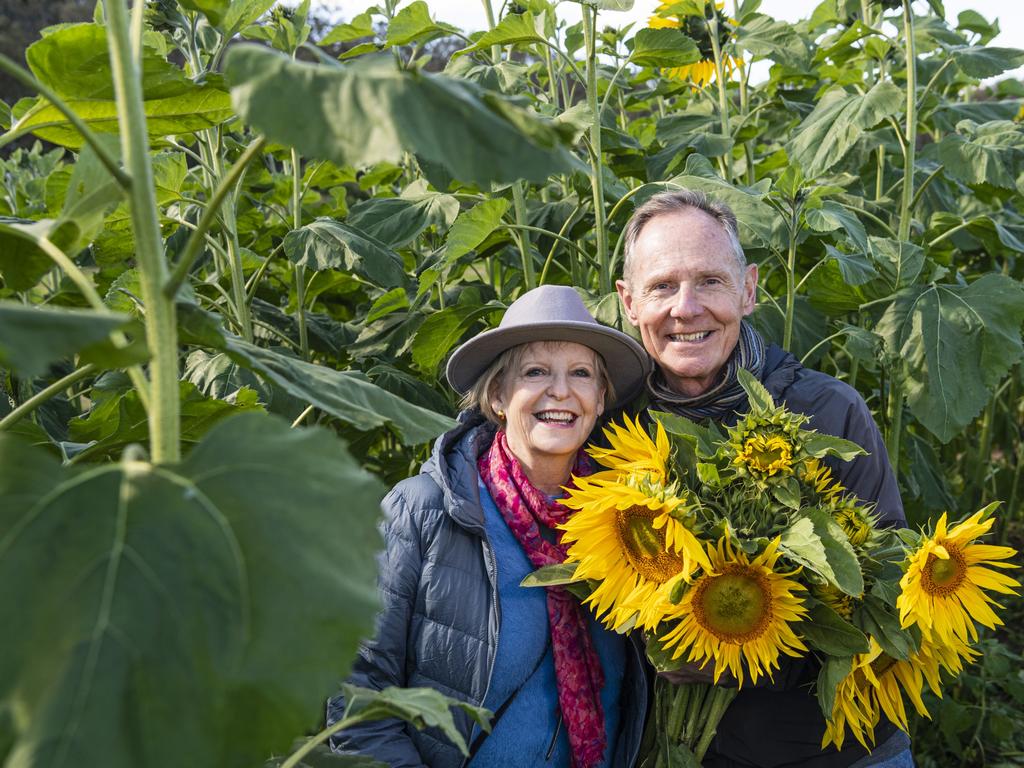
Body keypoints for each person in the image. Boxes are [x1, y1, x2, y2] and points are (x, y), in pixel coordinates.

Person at [615, 190, 912, 768]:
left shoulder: (828, 414)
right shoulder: (612, 421)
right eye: (661, 286)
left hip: (830, 752)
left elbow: (885, 600)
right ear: (628, 303)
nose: (686, 307)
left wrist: (737, 650)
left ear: (749, 290)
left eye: (710, 282)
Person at [327, 285, 653, 767]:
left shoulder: (631, 521)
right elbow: (358, 693)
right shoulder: (423, 511)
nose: (560, 391)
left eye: (581, 374)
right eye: (535, 372)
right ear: (498, 395)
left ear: (600, 398)